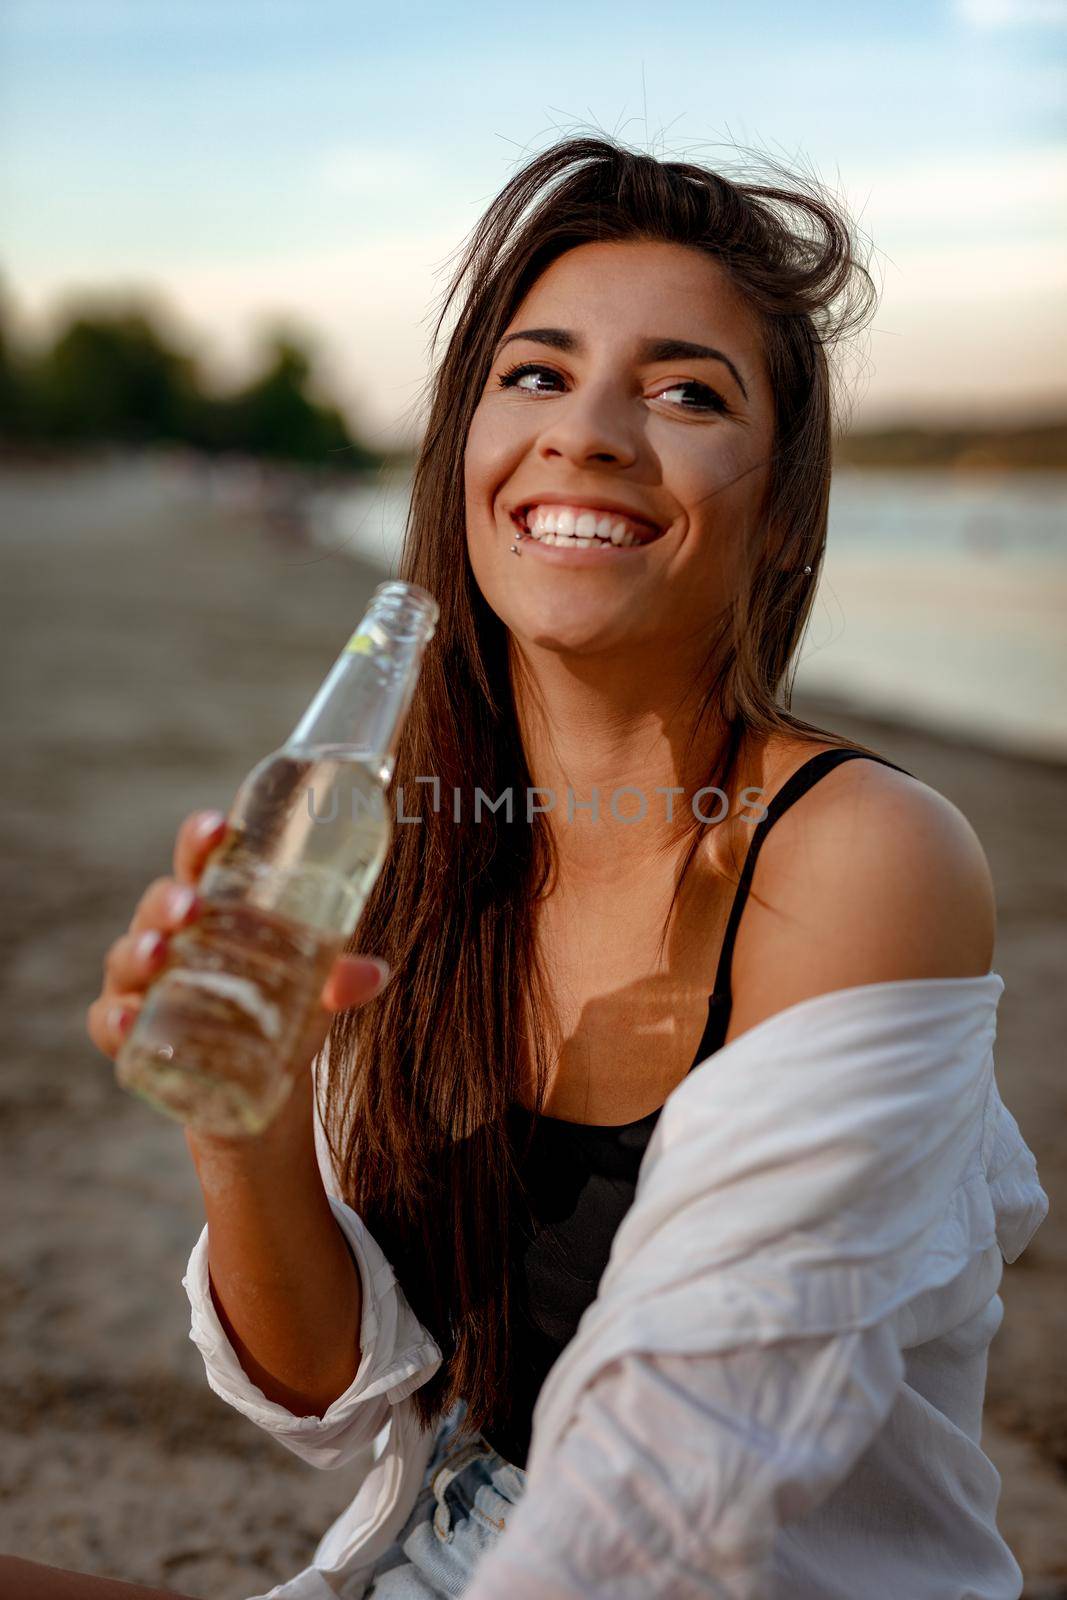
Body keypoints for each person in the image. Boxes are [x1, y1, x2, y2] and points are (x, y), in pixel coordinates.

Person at [13, 135, 1046, 1599]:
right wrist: (238, 1127)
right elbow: (332, 1392)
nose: (591, 433)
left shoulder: (861, 855)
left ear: (783, 512)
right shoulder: (410, 847)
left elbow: (681, 1481)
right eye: (538, 373)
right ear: (469, 450)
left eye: (688, 391)